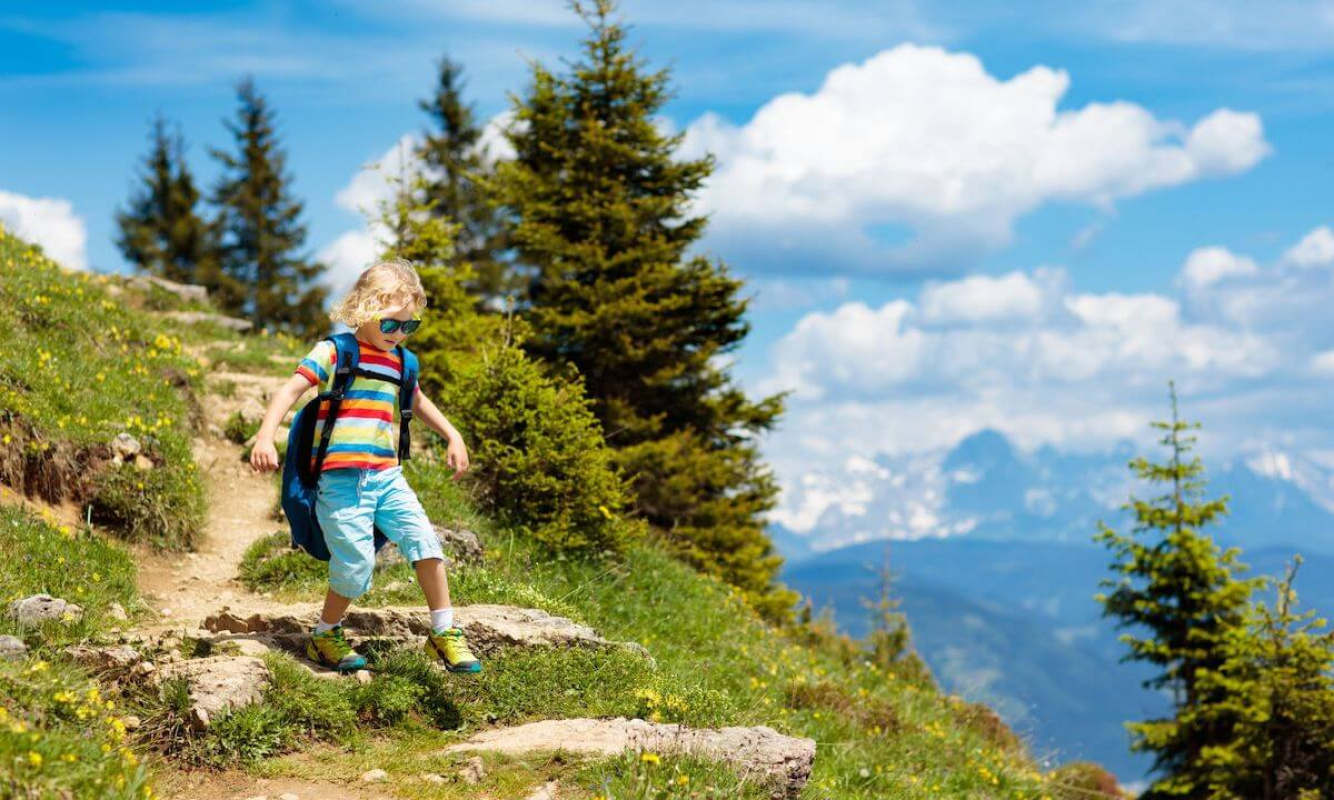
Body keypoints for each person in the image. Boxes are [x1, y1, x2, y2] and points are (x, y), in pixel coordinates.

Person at [249, 258, 480, 674]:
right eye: (391, 324)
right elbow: (291, 389)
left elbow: (417, 401)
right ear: (363, 309)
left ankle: (443, 632)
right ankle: (324, 634)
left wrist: (453, 435)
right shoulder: (336, 351)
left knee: (425, 543)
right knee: (355, 567)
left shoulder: (402, 362)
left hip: (387, 476)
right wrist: (266, 436)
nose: (399, 334)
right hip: (341, 481)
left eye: (409, 326)